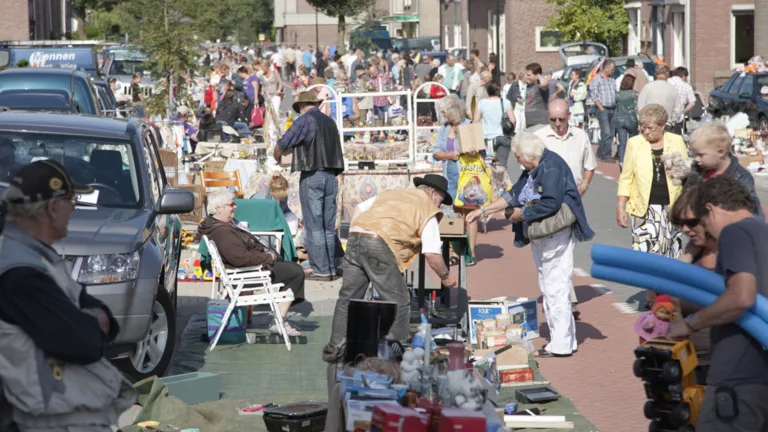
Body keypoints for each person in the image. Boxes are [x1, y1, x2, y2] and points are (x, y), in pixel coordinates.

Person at [0, 160, 135, 431]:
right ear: (52, 208)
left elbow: (100, 316)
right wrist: (87, 323)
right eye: (71, 200)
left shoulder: (37, 256)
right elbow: (81, 342)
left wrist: (89, 320)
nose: (74, 209)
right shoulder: (20, 271)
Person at [467, 133, 594, 357]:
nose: (517, 161)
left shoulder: (551, 167)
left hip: (555, 235)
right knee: (551, 287)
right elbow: (514, 193)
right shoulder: (535, 168)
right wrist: (484, 210)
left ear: (529, 156)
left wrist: (522, 213)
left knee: (556, 288)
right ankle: (565, 339)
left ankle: (561, 345)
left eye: (518, 156)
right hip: (544, 236)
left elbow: (551, 203)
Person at [667, 176, 768, 431]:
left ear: (711, 209)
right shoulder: (761, 233)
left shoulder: (735, 232)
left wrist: (690, 324)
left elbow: (741, 296)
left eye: (701, 221)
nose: (704, 229)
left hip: (737, 380)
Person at [324, 174, 458, 360]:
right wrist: (446, 276)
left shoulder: (392, 194)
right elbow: (432, 254)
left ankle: (335, 349)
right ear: (434, 193)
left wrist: (361, 233)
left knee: (348, 297)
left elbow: (358, 209)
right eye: (441, 201)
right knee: (399, 301)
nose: (440, 206)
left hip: (356, 237)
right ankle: (395, 357)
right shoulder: (427, 210)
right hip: (379, 243)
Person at [198, 190, 305, 336]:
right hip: (246, 274)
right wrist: (269, 257)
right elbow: (241, 259)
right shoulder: (222, 231)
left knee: (292, 268)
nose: (235, 207)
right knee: (296, 272)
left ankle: (280, 318)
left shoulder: (219, 225)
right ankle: (280, 320)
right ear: (219, 208)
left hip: (247, 268)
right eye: (231, 204)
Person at [617, 104, 687, 307]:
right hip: (643, 209)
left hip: (670, 208)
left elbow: (682, 177)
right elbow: (626, 177)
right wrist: (620, 206)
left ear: (663, 126)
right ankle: (651, 295)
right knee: (646, 256)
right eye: (643, 127)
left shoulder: (676, 141)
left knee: (669, 255)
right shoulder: (634, 143)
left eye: (650, 128)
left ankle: (668, 296)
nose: (646, 132)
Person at [534, 99, 597, 319]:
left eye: (562, 119)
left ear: (570, 116)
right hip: (547, 200)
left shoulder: (581, 136)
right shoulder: (540, 137)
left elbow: (589, 165)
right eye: (553, 120)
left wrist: (584, 186)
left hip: (572, 200)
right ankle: (561, 298)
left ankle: (563, 297)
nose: (558, 124)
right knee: (549, 253)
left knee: (566, 252)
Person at [274, 91, 345, 281]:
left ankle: (321, 269)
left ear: (302, 106)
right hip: (331, 175)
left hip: (313, 174)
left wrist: (277, 155)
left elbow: (284, 141)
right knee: (328, 227)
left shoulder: (306, 119)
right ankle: (330, 267)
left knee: (315, 226)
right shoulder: (329, 122)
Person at [668, 186, 713, 385]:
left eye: (691, 223)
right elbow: (667, 287)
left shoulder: (735, 255)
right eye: (682, 224)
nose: (685, 229)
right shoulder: (693, 255)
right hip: (691, 361)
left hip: (728, 368)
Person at [432, 95, 481, 264]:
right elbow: (436, 151)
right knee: (457, 213)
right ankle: (457, 252)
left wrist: (473, 151)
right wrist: (449, 155)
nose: (444, 116)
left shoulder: (469, 125)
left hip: (468, 175)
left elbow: (480, 152)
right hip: (450, 175)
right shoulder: (444, 129)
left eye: (445, 112)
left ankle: (471, 253)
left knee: (470, 214)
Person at [685, 121, 764, 220]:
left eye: (701, 155)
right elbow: (687, 195)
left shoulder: (741, 177)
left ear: (720, 152)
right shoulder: (698, 170)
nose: (696, 159)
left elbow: (752, 212)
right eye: (694, 154)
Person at [475, 81, 515, 170]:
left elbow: (475, 121)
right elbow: (513, 120)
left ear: (487, 91)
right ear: (499, 90)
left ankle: (491, 183)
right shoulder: (506, 102)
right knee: (502, 166)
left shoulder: (482, 103)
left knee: (489, 166)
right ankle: (501, 182)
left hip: (488, 140)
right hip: (504, 138)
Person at [638, 66, 683, 134]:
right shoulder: (672, 89)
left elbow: (640, 107)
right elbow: (678, 108)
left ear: (656, 74)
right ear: (667, 74)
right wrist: (672, 121)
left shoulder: (647, 88)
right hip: (666, 123)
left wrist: (643, 122)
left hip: (649, 124)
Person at [589, 59, 617, 162]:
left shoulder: (612, 80)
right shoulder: (597, 79)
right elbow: (593, 95)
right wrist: (601, 108)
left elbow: (615, 93)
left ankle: (601, 151)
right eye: (612, 69)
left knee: (611, 133)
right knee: (606, 133)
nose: (613, 71)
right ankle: (606, 155)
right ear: (606, 68)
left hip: (613, 109)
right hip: (603, 109)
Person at [615, 74, 639, 169]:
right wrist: (639, 121)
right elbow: (636, 108)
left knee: (622, 142)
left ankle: (621, 161)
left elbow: (616, 106)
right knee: (633, 141)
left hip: (620, 120)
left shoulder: (617, 94)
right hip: (631, 119)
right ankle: (633, 161)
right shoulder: (634, 94)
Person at [521, 63, 550, 132]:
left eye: (529, 75)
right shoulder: (529, 85)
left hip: (540, 122)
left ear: (537, 75)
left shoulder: (540, 86)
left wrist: (539, 75)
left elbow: (545, 83)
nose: (526, 76)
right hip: (529, 122)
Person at [667, 67, 697, 134]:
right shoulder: (686, 86)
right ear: (684, 76)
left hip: (665, 116)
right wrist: (683, 111)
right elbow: (692, 103)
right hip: (678, 117)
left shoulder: (666, 82)